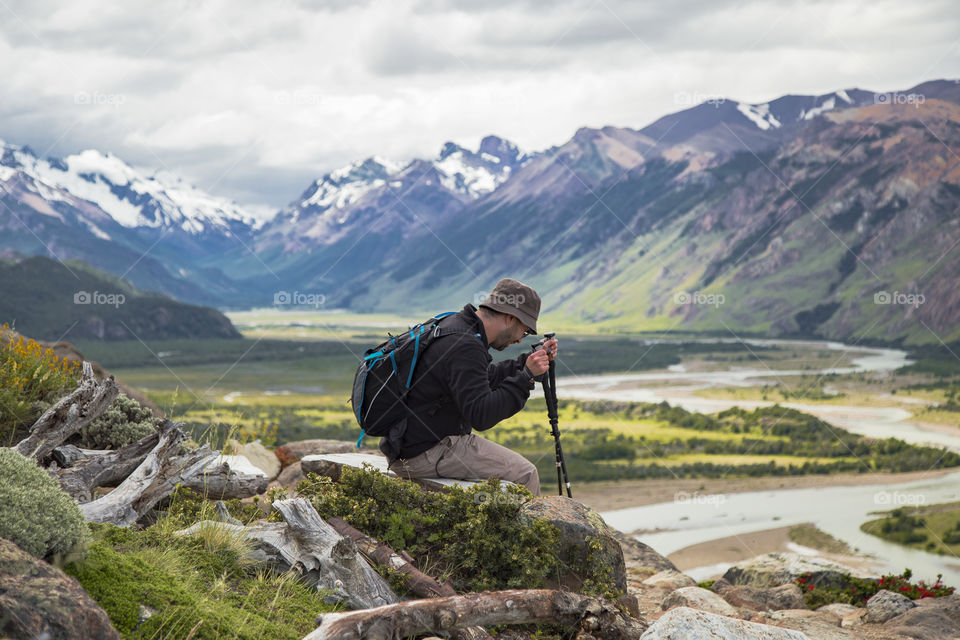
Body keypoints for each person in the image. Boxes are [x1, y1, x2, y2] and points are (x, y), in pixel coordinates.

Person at [381, 278, 558, 494]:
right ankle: (523, 529)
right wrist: (526, 377)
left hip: (408, 445)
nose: (521, 339)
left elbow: (480, 378)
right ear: (511, 318)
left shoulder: (454, 326)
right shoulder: (467, 345)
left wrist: (525, 363)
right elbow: (482, 416)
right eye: (525, 331)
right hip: (426, 452)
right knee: (526, 474)